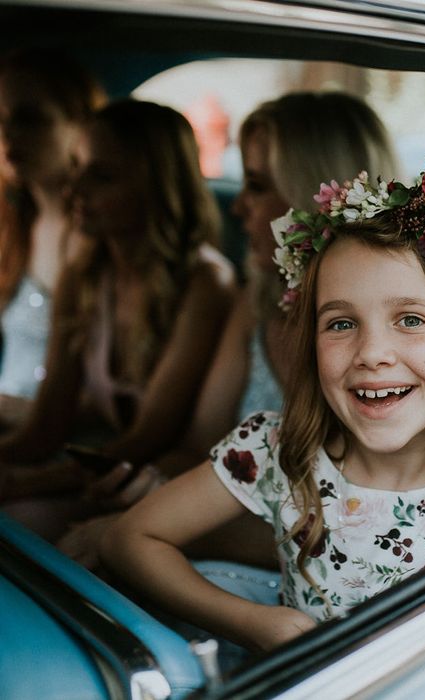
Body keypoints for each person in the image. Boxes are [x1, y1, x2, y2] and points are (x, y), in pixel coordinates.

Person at [102, 156, 425, 654]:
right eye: (341, 324)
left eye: (410, 320)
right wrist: (254, 623)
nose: (371, 354)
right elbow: (129, 539)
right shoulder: (277, 449)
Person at [56, 92, 399, 570]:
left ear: (315, 194)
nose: (237, 207)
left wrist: (148, 529)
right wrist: (147, 486)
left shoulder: (385, 347)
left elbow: (359, 534)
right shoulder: (256, 303)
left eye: (256, 186)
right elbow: (201, 449)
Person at [0, 100, 236, 536]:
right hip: (97, 468)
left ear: (156, 187)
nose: (75, 191)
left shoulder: (207, 284)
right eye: (77, 168)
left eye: (102, 176)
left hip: (160, 486)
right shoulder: (85, 274)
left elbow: (149, 438)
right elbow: (46, 425)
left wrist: (22, 483)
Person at [0, 49, 105, 426]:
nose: (10, 135)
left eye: (30, 119)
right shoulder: (11, 225)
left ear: (80, 125)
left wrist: (26, 413)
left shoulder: (110, 239)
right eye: (3, 120)